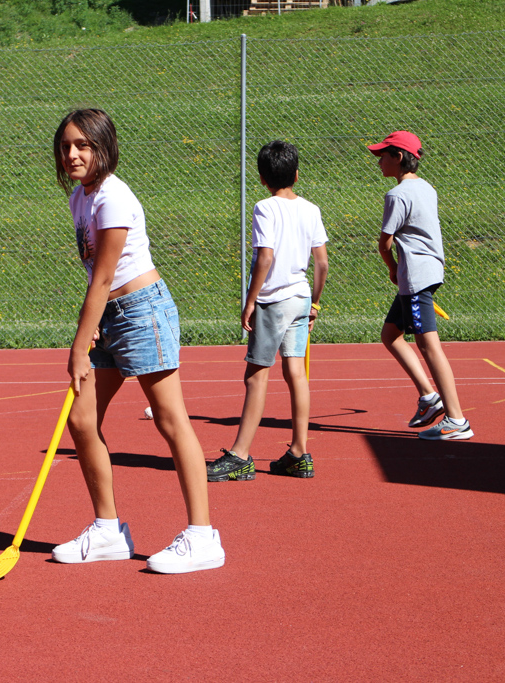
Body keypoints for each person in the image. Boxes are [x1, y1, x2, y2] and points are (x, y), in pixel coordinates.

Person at [49, 108, 224, 574]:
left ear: (104, 147)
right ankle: (108, 531)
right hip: (109, 316)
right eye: (66, 146)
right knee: (82, 419)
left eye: (83, 145)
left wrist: (77, 346)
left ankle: (203, 536)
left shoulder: (113, 198)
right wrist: (92, 332)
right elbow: (96, 278)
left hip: (141, 311)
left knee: (170, 419)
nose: (72, 154)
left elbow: (104, 276)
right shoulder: (79, 199)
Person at [207, 140, 328, 483]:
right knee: (296, 373)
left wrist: (250, 299)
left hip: (273, 299)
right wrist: (314, 301)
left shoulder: (265, 207)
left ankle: (241, 456)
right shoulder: (311, 209)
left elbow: (265, 256)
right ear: (297, 174)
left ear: (261, 178)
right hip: (301, 297)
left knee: (256, 375)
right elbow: (321, 262)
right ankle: (299, 453)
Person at [368, 131, 472, 440]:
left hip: (415, 277)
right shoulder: (427, 188)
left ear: (398, 157)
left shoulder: (397, 195)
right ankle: (429, 397)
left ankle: (456, 420)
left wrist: (393, 270)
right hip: (428, 272)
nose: (379, 162)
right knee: (391, 335)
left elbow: (384, 244)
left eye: (382, 156)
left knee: (428, 345)